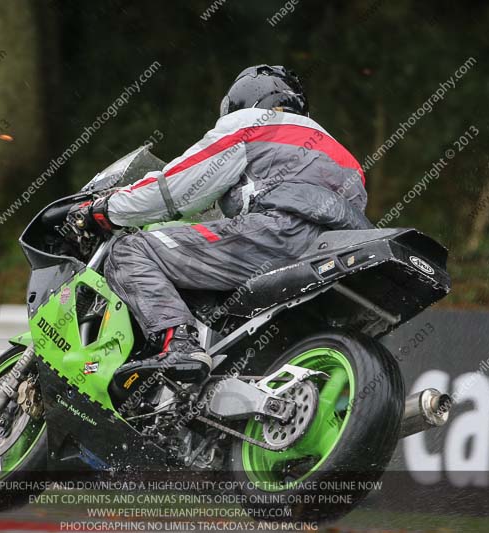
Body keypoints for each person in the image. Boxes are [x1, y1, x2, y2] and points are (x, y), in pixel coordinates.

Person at [67, 65, 372, 390]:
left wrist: (104, 209)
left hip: (275, 236)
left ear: (242, 102)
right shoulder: (341, 153)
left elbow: (175, 187)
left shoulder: (253, 125)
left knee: (130, 250)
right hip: (332, 249)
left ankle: (179, 345)